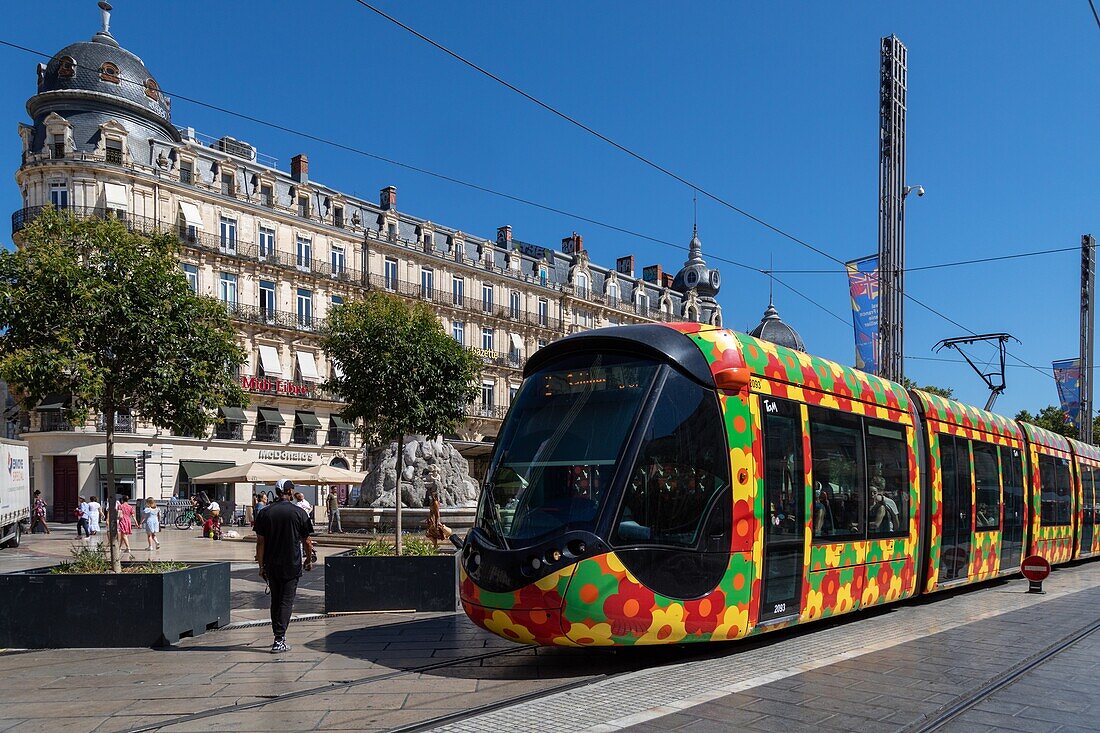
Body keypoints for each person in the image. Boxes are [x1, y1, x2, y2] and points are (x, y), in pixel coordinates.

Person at [254, 479, 315, 654]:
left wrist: (261, 565)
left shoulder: (265, 513)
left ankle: (278, 636)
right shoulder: (299, 513)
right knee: (286, 601)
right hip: (291, 563)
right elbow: (308, 542)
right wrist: (308, 560)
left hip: (271, 564)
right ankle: (279, 639)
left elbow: (260, 543)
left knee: (275, 600)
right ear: (289, 492)